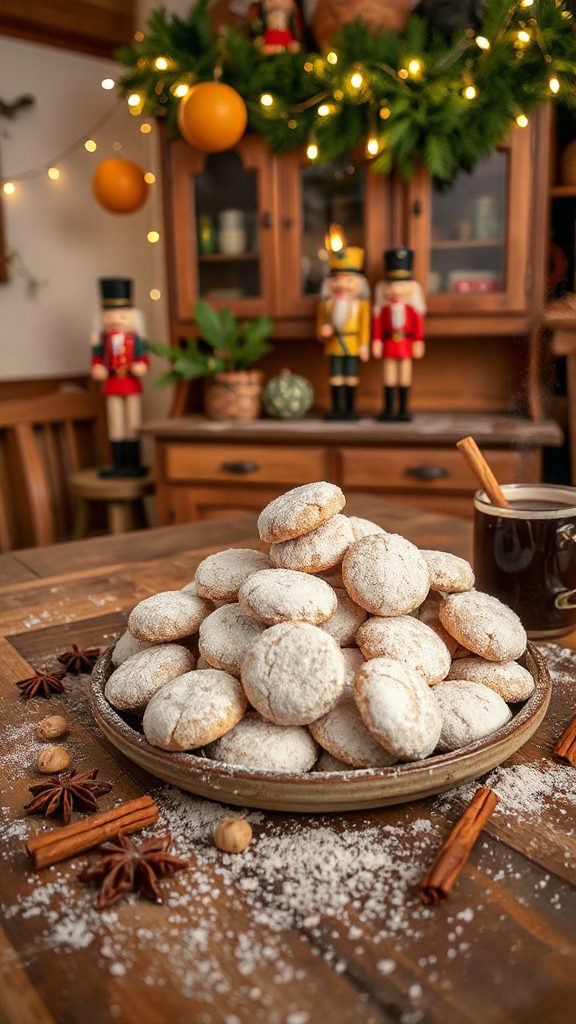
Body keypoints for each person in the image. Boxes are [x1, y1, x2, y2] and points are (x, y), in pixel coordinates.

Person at [90, 278, 149, 477]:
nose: (115, 319)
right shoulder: (102, 340)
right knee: (115, 425)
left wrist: (141, 366)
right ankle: (119, 463)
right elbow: (97, 358)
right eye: (109, 314)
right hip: (112, 384)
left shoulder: (136, 339)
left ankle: (133, 462)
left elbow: (142, 358)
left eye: (122, 315)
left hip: (130, 383)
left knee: (133, 424)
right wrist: (97, 367)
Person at [372, 247, 426, 422]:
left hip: (405, 344)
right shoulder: (383, 309)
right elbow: (378, 325)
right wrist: (376, 341)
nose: (395, 289)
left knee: (404, 376)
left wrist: (418, 341)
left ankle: (403, 409)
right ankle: (388, 409)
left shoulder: (412, 309)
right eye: (391, 284)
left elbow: (418, 325)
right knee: (388, 376)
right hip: (389, 343)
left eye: (401, 284)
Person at [316, 246, 370, 421]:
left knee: (351, 377)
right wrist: (324, 332)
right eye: (336, 280)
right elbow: (320, 326)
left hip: (352, 344)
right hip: (334, 345)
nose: (341, 285)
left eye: (348, 280)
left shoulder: (361, 305)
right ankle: (337, 409)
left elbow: (365, 326)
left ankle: (350, 409)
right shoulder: (326, 305)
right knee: (335, 377)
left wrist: (364, 345)